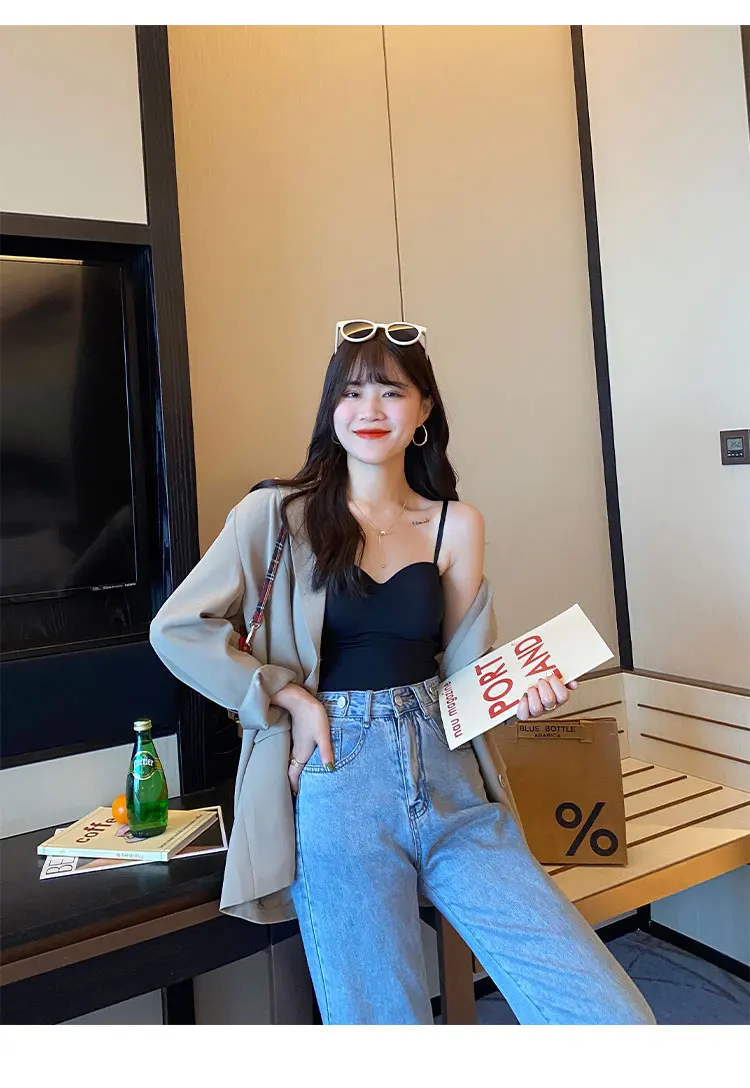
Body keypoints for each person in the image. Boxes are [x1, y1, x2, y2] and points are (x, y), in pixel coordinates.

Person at [150, 319, 656, 1026]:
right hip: (338, 777)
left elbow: (465, 671)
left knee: (609, 1016)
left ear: (423, 411)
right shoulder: (277, 515)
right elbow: (176, 628)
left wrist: (522, 694)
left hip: (450, 775)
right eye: (352, 392)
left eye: (391, 391)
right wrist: (289, 696)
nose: (370, 409)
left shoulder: (457, 524)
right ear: (331, 410)